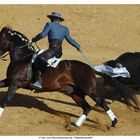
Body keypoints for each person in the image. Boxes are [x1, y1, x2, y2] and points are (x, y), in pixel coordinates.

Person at [31, 12, 81, 88]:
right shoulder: (65, 28)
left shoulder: (49, 24)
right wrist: (78, 46)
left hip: (53, 49)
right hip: (59, 51)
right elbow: (70, 39)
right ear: (59, 20)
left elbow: (43, 35)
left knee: (39, 58)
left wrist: (34, 39)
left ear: (52, 19)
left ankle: (39, 81)